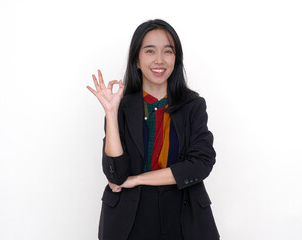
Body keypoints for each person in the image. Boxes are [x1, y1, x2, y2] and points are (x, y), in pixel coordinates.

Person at [87, 19, 219, 240]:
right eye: (150, 51)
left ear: (176, 59)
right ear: (137, 60)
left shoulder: (193, 106)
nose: (159, 60)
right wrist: (111, 112)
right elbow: (116, 175)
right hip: (131, 217)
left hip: (183, 213)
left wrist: (138, 179)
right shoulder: (122, 106)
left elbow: (200, 165)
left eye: (168, 51)